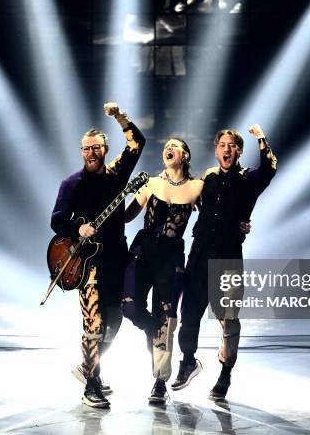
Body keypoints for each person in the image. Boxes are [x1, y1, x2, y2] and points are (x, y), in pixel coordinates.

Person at [171, 124, 277, 401]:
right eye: (222, 145)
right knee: (189, 315)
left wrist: (261, 139)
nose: (226, 149)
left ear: (239, 151)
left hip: (228, 257)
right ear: (216, 150)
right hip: (199, 254)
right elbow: (189, 196)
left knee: (228, 320)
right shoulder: (209, 176)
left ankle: (225, 374)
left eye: (232, 145)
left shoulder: (248, 178)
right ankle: (188, 361)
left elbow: (270, 169)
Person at [50, 102, 146, 408]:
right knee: (93, 323)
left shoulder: (118, 174)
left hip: (117, 257)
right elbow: (57, 220)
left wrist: (119, 117)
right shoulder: (71, 184)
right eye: (86, 148)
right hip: (88, 264)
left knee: (115, 320)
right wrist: (79, 230)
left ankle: (90, 368)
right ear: (81, 152)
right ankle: (91, 385)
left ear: (105, 150)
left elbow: (137, 143)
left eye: (97, 147)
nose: (91, 153)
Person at [122, 137, 202, 404]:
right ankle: (150, 327)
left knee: (167, 319)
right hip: (143, 252)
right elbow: (127, 215)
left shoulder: (197, 186)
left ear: (185, 155)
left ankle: (159, 382)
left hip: (172, 258)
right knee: (130, 306)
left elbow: (216, 212)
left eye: (175, 145)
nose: (168, 147)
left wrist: (240, 225)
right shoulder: (151, 183)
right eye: (166, 145)